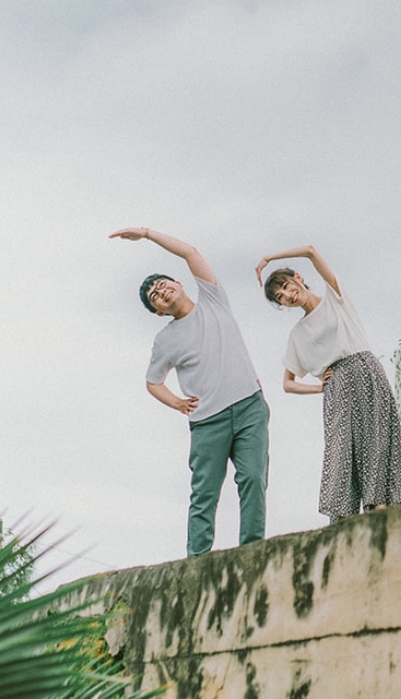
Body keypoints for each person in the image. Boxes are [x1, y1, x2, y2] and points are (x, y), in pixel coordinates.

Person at [110, 227, 270, 557]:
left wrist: (147, 234)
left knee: (253, 478)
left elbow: (191, 253)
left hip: (249, 406)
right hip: (208, 422)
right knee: (204, 494)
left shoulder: (213, 300)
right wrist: (178, 403)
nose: (161, 291)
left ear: (179, 284)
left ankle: (253, 552)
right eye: (155, 295)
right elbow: (153, 382)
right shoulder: (165, 340)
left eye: (163, 284)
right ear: (158, 311)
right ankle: (196, 562)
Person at [255, 244, 401, 521]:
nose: (288, 296)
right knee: (340, 454)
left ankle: (379, 510)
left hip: (365, 370)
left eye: (287, 287)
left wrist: (269, 258)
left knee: (376, 441)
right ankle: (342, 521)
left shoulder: (335, 298)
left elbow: (311, 251)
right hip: (336, 388)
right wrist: (320, 387)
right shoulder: (297, 334)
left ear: (297, 278)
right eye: (281, 297)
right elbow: (287, 383)